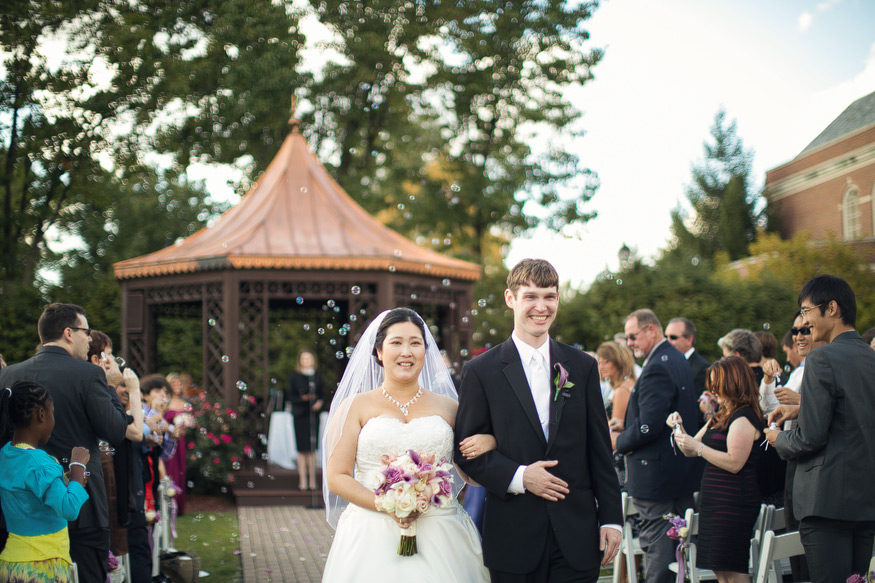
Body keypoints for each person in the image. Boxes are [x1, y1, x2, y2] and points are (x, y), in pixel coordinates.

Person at [455, 259, 622, 582]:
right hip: (513, 536)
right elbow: (466, 452)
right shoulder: (481, 371)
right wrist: (520, 476)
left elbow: (599, 449)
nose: (541, 307)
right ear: (510, 299)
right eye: (531, 296)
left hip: (577, 535)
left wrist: (611, 519)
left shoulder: (582, 367)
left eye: (550, 296)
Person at [320, 308, 489, 581]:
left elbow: (472, 475)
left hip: (442, 531)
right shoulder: (354, 407)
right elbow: (337, 476)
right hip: (370, 533)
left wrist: (487, 442)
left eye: (415, 343)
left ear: (426, 350)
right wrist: (388, 504)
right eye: (396, 342)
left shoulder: (450, 407)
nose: (406, 352)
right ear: (379, 352)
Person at [0, 303, 129, 583]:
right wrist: (111, 385)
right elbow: (116, 430)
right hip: (81, 501)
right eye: (87, 332)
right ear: (69, 333)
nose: (90, 340)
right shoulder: (89, 374)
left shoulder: (8, 375)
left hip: (23, 508)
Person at [765, 275, 875, 583]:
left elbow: (809, 437)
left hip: (826, 504)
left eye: (807, 310)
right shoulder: (871, 358)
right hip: (866, 501)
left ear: (833, 308)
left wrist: (778, 438)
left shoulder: (822, 358)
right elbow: (856, 414)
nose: (803, 320)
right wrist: (801, 407)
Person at [613, 308, 699, 583]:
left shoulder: (657, 366)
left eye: (633, 336)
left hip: (657, 481)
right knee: (678, 546)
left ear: (651, 330)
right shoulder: (675, 358)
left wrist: (620, 441)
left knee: (658, 551)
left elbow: (649, 425)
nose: (629, 344)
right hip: (677, 474)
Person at [668, 356, 763, 583]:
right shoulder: (720, 416)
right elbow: (690, 449)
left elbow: (734, 462)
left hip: (733, 502)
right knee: (719, 570)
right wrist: (678, 428)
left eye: (716, 385)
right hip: (715, 502)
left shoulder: (744, 417)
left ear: (733, 383)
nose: (712, 392)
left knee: (732, 568)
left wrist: (698, 448)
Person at [0, 380, 90, 583]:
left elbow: (28, 492)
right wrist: (78, 466)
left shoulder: (6, 454)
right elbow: (68, 508)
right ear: (42, 414)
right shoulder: (39, 462)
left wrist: (67, 479)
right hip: (44, 566)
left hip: (11, 563)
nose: (53, 420)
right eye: (52, 413)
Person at [596, 341, 635, 486]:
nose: (602, 367)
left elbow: (615, 431)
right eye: (599, 362)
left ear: (618, 362)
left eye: (606, 362)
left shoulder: (621, 391)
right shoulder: (627, 384)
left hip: (618, 458)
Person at [287, 350, 325, 491]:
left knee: (312, 448)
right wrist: (303, 399)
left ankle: (313, 480)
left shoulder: (317, 376)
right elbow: (290, 396)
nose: (307, 360)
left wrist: (319, 402)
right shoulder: (295, 377)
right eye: (304, 358)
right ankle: (303, 480)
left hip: (313, 415)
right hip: (300, 415)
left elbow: (322, 395)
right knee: (302, 449)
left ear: (313, 360)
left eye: (309, 358)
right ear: (300, 361)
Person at [163, 372, 190, 514]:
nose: (177, 386)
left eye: (179, 383)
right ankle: (168, 501)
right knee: (170, 470)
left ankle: (179, 505)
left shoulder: (184, 403)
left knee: (180, 470)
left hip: (180, 441)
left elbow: (187, 424)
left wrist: (184, 426)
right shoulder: (165, 402)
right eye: (174, 383)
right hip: (168, 442)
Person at [665, 317, 710, 396]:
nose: (667, 342)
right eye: (666, 337)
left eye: (673, 337)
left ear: (689, 340)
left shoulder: (702, 368)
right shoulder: (666, 363)